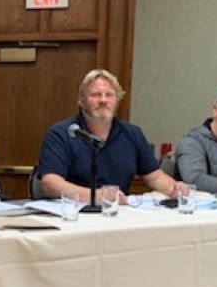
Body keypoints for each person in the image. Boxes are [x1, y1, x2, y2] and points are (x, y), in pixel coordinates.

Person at [36, 68, 181, 202]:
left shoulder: (132, 133)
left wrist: (174, 188)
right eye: (96, 95)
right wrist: (96, 196)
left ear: (117, 100)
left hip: (117, 215)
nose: (103, 100)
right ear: (82, 100)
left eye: (109, 95)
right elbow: (50, 183)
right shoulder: (61, 133)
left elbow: (155, 176)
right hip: (72, 214)